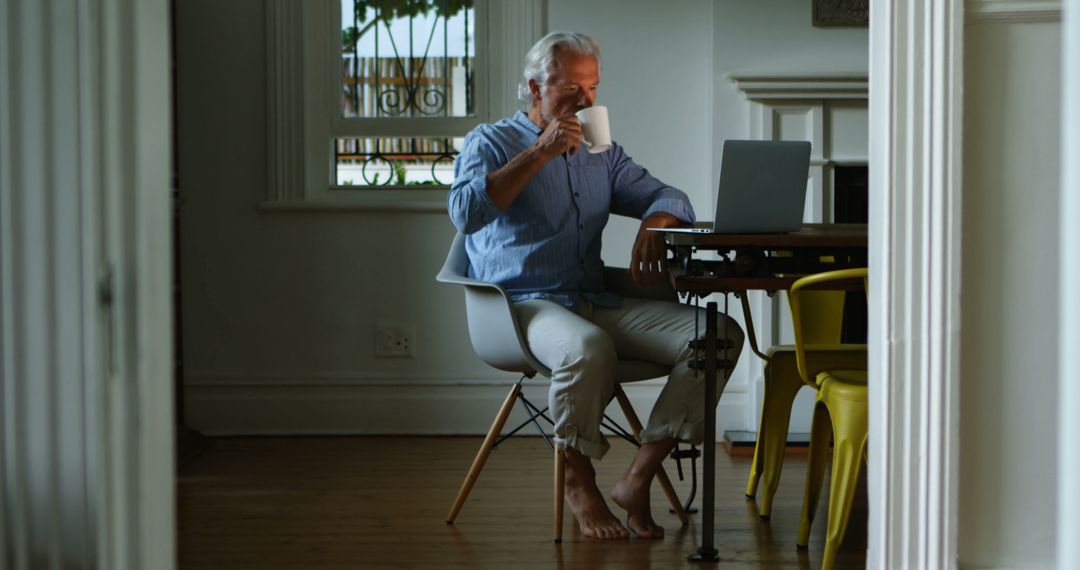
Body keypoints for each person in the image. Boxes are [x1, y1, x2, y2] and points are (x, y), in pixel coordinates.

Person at [447, 31, 743, 540]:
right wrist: (538, 154)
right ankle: (578, 482)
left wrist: (655, 223)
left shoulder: (597, 146)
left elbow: (668, 194)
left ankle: (637, 477)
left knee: (716, 334)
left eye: (593, 88)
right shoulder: (489, 141)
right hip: (520, 306)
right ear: (537, 87)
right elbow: (466, 213)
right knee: (587, 348)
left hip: (590, 297)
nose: (587, 101)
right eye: (573, 89)